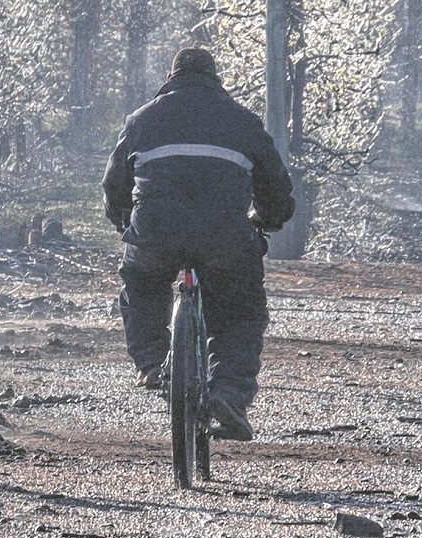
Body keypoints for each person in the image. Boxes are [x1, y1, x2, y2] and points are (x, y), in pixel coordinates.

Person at [101, 46, 294, 441]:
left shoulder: (142, 119)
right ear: (216, 78)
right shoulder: (243, 122)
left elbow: (113, 186)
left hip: (156, 229)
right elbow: (276, 188)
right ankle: (230, 394)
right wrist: (269, 219)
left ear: (170, 78)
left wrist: (125, 223)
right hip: (225, 236)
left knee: (141, 285)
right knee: (239, 311)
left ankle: (152, 363)